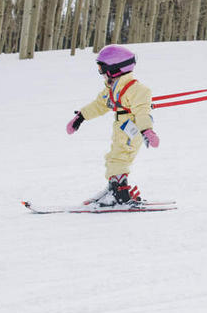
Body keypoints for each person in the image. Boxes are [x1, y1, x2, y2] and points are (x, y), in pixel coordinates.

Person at [66, 44, 160, 206]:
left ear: (115, 68)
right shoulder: (111, 89)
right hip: (122, 130)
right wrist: (81, 117)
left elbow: (142, 112)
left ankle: (119, 194)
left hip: (133, 130)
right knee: (113, 159)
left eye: (102, 69)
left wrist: (147, 130)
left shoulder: (138, 90)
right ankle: (114, 188)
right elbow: (99, 105)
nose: (100, 73)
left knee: (119, 159)